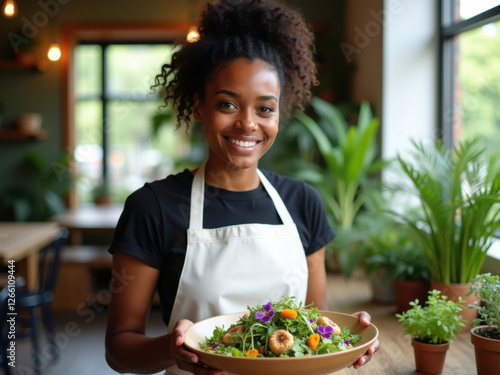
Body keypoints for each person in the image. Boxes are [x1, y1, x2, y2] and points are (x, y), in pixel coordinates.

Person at [105, 0, 379, 374]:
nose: (248, 124)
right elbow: (119, 350)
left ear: (279, 113)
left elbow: (315, 325)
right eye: (227, 104)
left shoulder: (303, 202)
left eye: (265, 108)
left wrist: (347, 337)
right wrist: (173, 349)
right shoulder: (153, 207)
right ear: (199, 107)